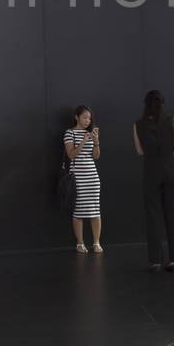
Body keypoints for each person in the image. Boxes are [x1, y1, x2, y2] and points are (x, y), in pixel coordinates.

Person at [133, 90, 174, 272]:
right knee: (173, 215)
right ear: (163, 103)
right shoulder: (172, 122)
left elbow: (139, 151)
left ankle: (155, 261)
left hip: (151, 170)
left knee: (152, 216)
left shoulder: (138, 125)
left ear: (146, 104)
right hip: (171, 169)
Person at [62, 106, 103, 253]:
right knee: (78, 210)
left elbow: (96, 156)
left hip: (92, 176)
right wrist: (84, 141)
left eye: (89, 118)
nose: (88, 121)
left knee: (95, 210)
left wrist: (96, 141)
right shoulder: (70, 133)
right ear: (76, 117)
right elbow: (71, 155)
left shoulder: (90, 133)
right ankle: (80, 243)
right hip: (77, 177)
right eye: (85, 117)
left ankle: (96, 242)